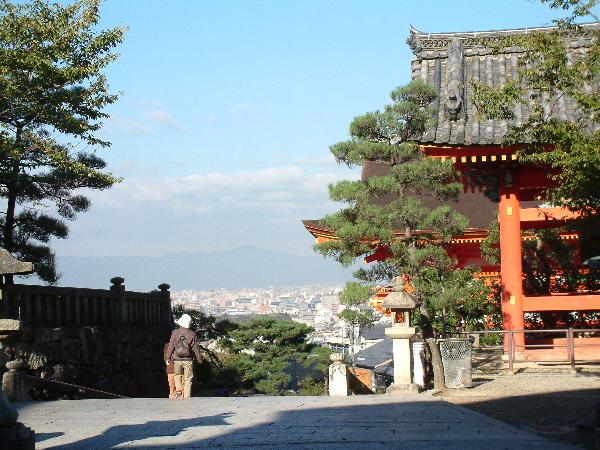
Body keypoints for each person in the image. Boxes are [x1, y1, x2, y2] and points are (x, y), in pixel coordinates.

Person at [165, 313, 203, 399]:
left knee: (177, 375)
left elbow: (171, 346)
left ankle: (178, 390)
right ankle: (187, 397)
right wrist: (199, 359)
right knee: (188, 379)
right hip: (188, 359)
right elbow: (195, 347)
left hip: (177, 359)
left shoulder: (175, 332)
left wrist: (168, 357)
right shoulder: (192, 333)